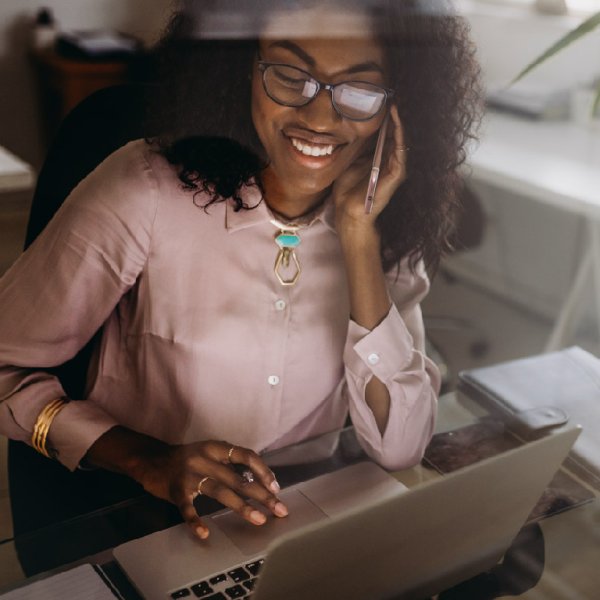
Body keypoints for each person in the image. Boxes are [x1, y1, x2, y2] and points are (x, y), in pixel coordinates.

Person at [0, 0, 481, 541]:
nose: (321, 118)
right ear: (238, 70)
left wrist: (358, 237)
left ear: (398, 106)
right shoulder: (145, 192)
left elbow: (400, 448)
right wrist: (147, 459)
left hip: (304, 523)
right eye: (288, 75)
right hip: (144, 519)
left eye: (360, 89)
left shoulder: (383, 220)